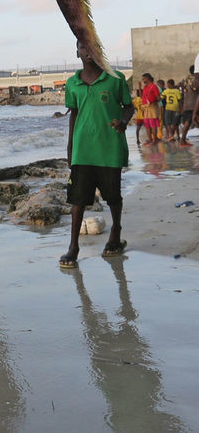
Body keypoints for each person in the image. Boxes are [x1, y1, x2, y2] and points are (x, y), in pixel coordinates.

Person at [59, 38, 135, 268]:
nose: (87, 51)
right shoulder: (72, 83)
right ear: (78, 53)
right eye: (83, 47)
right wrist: (70, 148)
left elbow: (129, 106)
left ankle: (116, 233)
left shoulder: (115, 78)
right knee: (78, 201)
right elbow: (74, 114)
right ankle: (73, 247)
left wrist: (123, 121)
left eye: (92, 47)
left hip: (109, 147)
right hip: (83, 150)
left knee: (113, 196)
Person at [140, 73, 161, 144]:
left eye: (144, 79)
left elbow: (158, 98)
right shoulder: (145, 87)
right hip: (145, 108)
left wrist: (152, 101)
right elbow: (142, 97)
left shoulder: (154, 86)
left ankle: (154, 139)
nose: (143, 80)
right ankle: (150, 139)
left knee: (153, 124)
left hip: (152, 107)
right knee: (147, 125)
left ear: (147, 78)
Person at [180, 65, 198, 146]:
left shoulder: (186, 80)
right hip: (195, 104)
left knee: (188, 122)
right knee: (190, 121)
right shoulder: (196, 80)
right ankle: (183, 140)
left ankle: (183, 140)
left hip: (187, 104)